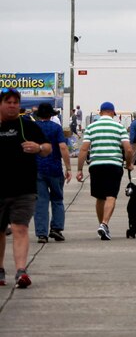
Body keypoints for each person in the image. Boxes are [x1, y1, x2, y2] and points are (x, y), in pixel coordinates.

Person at [0, 89, 51, 288]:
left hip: (24, 188)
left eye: (15, 102)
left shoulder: (28, 126)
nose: (12, 105)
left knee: (20, 227)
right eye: (8, 101)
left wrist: (38, 148)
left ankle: (21, 271)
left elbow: (48, 148)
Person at [77, 101, 134, 241]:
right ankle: (104, 223)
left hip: (96, 165)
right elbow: (128, 149)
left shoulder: (91, 127)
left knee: (100, 197)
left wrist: (79, 169)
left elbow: (84, 149)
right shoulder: (119, 127)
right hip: (114, 165)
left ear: (100, 112)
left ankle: (101, 225)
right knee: (111, 196)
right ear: (113, 113)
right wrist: (129, 164)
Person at [33, 103, 70, 245]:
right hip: (54, 169)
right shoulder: (56, 128)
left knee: (40, 202)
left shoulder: (33, 127)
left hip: (37, 169)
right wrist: (68, 168)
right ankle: (56, 228)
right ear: (51, 115)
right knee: (57, 199)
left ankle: (42, 234)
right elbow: (63, 147)